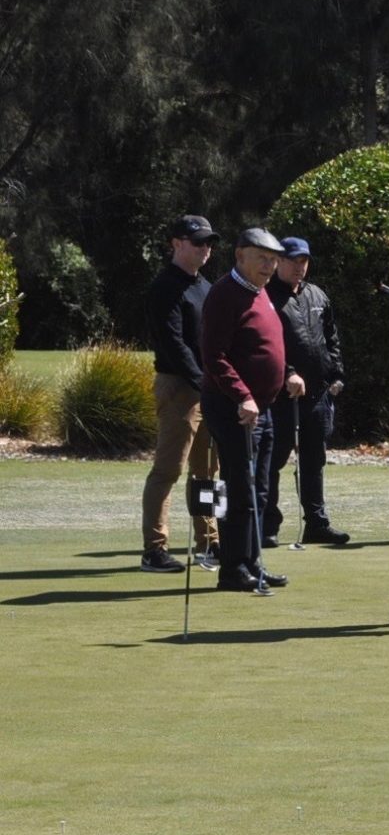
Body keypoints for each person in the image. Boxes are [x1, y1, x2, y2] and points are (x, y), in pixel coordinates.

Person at [199, 228, 293, 595]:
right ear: (240, 256)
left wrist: (287, 373)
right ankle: (232, 568)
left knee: (259, 489)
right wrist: (242, 395)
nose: (269, 266)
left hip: (262, 408)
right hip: (233, 407)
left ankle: (252, 562)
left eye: (274, 260)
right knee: (238, 488)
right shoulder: (225, 294)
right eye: (262, 258)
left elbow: (266, 345)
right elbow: (214, 356)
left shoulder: (259, 291)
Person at [140, 215, 222, 572]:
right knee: (168, 470)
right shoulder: (165, 287)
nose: (205, 248)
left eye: (209, 242)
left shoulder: (206, 287)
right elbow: (173, 343)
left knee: (208, 472)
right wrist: (203, 381)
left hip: (208, 388)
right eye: (198, 241)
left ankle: (211, 542)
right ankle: (154, 550)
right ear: (176, 243)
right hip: (178, 387)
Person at [261, 236, 350, 548]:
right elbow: (266, 344)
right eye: (292, 261)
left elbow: (331, 337)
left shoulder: (317, 294)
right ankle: (267, 525)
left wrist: (336, 373)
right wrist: (288, 373)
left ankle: (316, 524)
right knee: (272, 461)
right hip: (280, 397)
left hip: (317, 395)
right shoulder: (267, 296)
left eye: (304, 261)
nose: (299, 267)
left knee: (313, 461)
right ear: (279, 262)